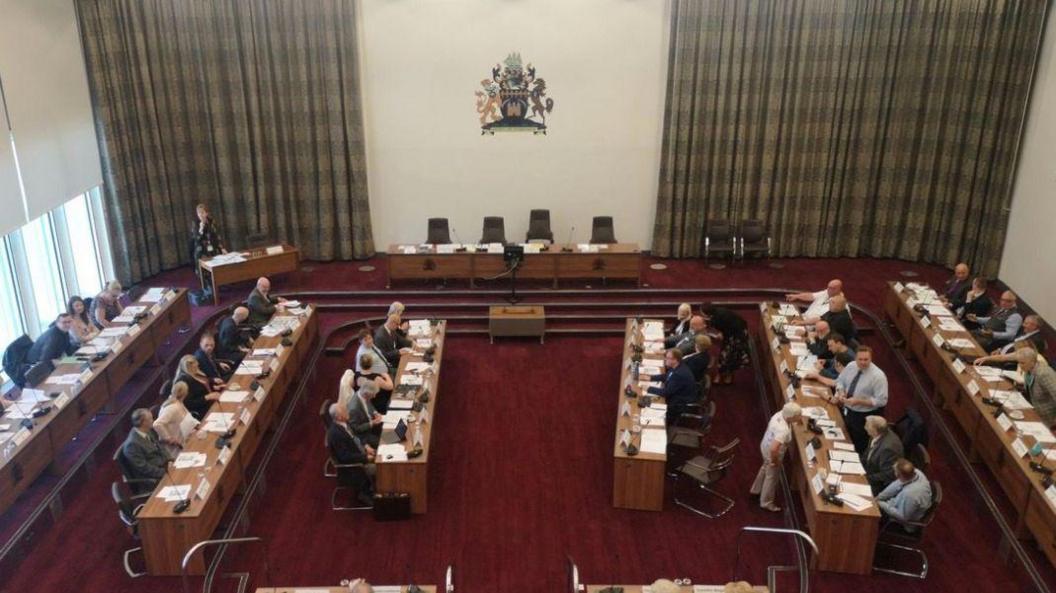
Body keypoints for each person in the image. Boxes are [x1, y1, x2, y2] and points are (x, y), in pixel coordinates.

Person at [750, 402, 803, 512]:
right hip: (772, 452)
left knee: (765, 467)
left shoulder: (779, 414)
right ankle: (766, 502)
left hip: (764, 445)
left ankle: (756, 489)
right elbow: (774, 448)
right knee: (772, 477)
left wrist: (797, 420)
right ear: (790, 417)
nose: (800, 417)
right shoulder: (783, 430)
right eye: (798, 415)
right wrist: (775, 461)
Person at [835, 346, 889, 453]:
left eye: (866, 360)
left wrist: (859, 401)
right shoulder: (850, 366)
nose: (863, 362)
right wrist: (841, 392)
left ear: (871, 359)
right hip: (848, 410)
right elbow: (840, 381)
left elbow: (882, 401)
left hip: (864, 416)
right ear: (855, 358)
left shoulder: (878, 376)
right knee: (845, 437)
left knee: (858, 445)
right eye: (860, 359)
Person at [327, 403, 376, 507]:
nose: (348, 412)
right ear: (339, 417)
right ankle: (365, 493)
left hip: (361, 452)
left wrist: (366, 446)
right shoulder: (336, 434)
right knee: (381, 467)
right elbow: (346, 457)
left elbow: (356, 437)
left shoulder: (344, 423)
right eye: (345, 411)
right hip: (356, 466)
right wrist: (365, 458)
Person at [635, 348, 697, 424]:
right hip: (675, 394)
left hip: (678, 402)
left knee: (645, 406)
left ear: (675, 360)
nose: (665, 360)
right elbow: (667, 376)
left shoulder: (679, 375)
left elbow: (666, 392)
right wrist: (650, 378)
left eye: (667, 358)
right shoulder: (678, 366)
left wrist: (648, 388)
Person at [877, 459, 933, 530]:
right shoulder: (915, 472)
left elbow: (902, 517)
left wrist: (880, 503)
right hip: (897, 503)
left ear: (898, 475)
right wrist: (879, 497)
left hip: (900, 522)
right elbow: (895, 485)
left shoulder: (910, 494)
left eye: (895, 471)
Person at [121, 408, 170, 488]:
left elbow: (159, 447)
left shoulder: (147, 431)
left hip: (164, 466)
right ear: (143, 422)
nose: (153, 420)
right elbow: (144, 468)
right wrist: (165, 472)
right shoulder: (132, 445)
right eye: (150, 419)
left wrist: (170, 459)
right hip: (153, 479)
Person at [701, 304, 749, 384]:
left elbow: (725, 331)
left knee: (730, 356)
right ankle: (721, 374)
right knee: (726, 356)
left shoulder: (715, 320)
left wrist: (721, 335)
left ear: (706, 313)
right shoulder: (719, 310)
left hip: (737, 335)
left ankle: (728, 374)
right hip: (735, 332)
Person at [862, 416, 904, 494]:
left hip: (877, 484)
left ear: (875, 430)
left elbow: (887, 475)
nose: (865, 427)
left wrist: (864, 478)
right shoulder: (877, 435)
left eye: (867, 426)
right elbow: (867, 453)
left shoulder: (888, 449)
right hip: (867, 471)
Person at [153, 382, 196, 457]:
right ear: (185, 394)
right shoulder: (172, 408)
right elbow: (157, 424)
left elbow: (186, 416)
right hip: (177, 446)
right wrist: (169, 438)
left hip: (185, 437)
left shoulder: (178, 402)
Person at [174, 354, 221, 420]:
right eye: (195, 367)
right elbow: (188, 403)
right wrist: (207, 397)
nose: (197, 368)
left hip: (212, 401)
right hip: (202, 410)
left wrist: (214, 386)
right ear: (188, 367)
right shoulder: (183, 381)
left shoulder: (195, 373)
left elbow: (204, 386)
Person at [347, 380, 384, 448]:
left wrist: (375, 413)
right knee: (383, 442)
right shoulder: (353, 409)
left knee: (391, 433)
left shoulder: (362, 395)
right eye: (373, 395)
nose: (374, 396)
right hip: (364, 435)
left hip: (371, 424)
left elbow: (369, 405)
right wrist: (371, 423)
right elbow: (356, 429)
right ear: (366, 394)